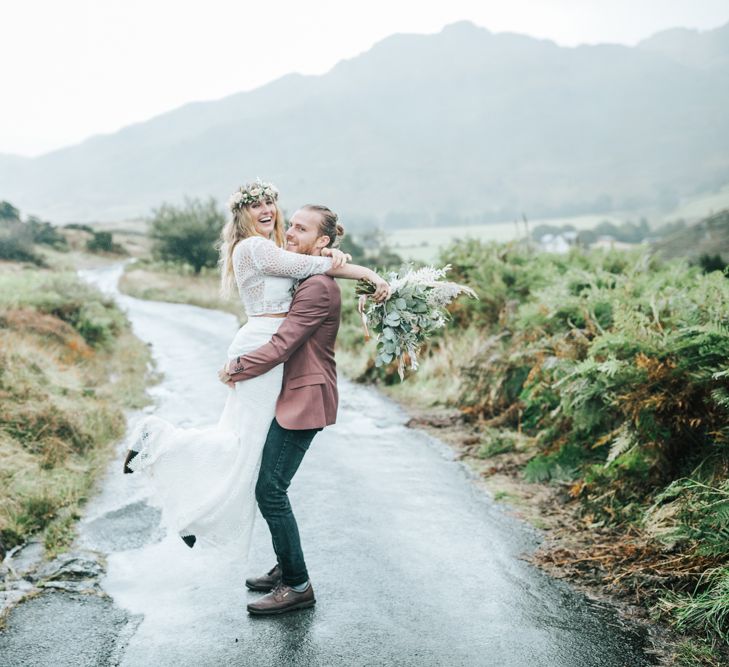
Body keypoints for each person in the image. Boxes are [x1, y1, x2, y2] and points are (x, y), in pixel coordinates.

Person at [124, 180, 388, 565]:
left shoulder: (271, 250)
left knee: (242, 446)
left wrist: (332, 254)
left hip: (266, 342)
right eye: (255, 205)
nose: (266, 209)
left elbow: (307, 264)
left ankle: (196, 510)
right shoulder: (255, 247)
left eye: (270, 202)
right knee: (242, 447)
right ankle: (161, 445)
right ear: (241, 213)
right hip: (263, 345)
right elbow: (310, 265)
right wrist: (366, 273)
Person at [217, 204, 353, 615]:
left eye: (301, 228)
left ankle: (297, 585)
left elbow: (283, 345)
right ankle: (286, 567)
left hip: (305, 398)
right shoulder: (310, 273)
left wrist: (236, 368)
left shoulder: (316, 287)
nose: (289, 232)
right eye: (289, 224)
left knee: (269, 489)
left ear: (323, 241)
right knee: (272, 487)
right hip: (293, 392)